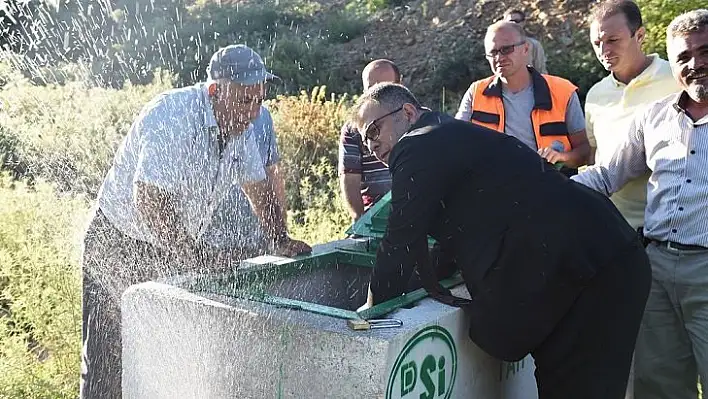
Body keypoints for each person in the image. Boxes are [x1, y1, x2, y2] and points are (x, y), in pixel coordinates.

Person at [354, 82, 651, 399]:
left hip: (589, 270)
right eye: (363, 141)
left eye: (374, 131)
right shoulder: (446, 133)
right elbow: (461, 229)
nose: (371, 145)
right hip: (601, 259)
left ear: (409, 112)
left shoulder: (415, 144)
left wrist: (371, 310)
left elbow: (401, 235)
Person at [80, 44, 311, 399]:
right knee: (107, 361)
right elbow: (151, 200)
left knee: (158, 354)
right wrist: (193, 256)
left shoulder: (240, 126)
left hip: (167, 244)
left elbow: (256, 187)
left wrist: (279, 238)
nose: (253, 112)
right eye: (245, 101)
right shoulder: (171, 115)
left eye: (259, 101)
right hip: (118, 242)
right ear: (216, 91)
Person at [572, 9, 708, 399]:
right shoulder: (655, 117)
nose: (695, 64)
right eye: (684, 57)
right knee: (657, 383)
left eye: (705, 51)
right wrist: (537, 191)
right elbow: (603, 175)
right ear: (673, 62)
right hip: (656, 267)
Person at [585, 0, 681, 231]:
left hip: (668, 231)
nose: (604, 51)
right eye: (597, 43)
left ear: (639, 35)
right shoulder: (595, 95)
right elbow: (594, 156)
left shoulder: (678, 80)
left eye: (613, 40)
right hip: (610, 227)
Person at [455, 21, 590, 175]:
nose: (499, 57)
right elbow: (456, 141)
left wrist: (561, 157)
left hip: (552, 187)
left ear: (526, 49)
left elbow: (585, 151)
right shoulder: (476, 92)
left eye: (506, 49)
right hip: (493, 188)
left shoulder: (562, 91)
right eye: (493, 52)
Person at [338, 59, 400, 221]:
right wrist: (361, 220)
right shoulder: (353, 129)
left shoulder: (415, 119)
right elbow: (350, 179)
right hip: (375, 215)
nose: (378, 95)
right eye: (372, 89)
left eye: (386, 88)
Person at [503, 8, 548, 74]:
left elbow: (541, 71)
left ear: (523, 23)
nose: (514, 24)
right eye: (510, 21)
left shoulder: (534, 45)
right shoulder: (499, 45)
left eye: (517, 21)